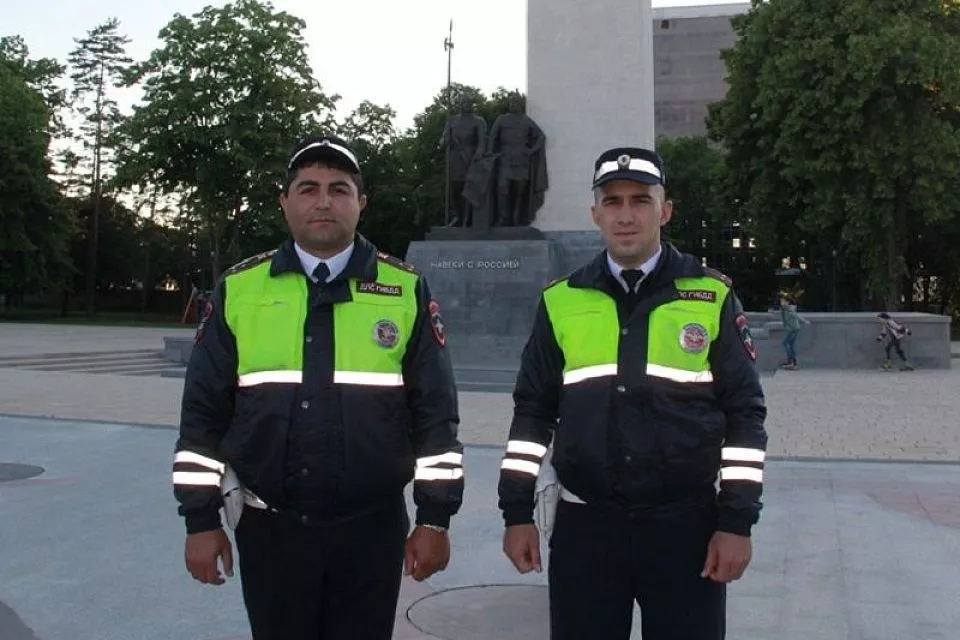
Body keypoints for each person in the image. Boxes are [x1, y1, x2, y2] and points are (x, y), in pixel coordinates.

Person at [172, 134, 464, 640]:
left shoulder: (403, 289)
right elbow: (202, 416)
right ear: (285, 202)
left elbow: (436, 416)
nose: (323, 201)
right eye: (308, 189)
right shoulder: (240, 289)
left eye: (339, 189)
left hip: (371, 530)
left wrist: (434, 519)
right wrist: (201, 520)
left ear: (361, 202)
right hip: (270, 528)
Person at [497, 147, 768, 640]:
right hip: (586, 528)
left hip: (686, 528)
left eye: (640, 200)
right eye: (613, 201)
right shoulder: (561, 300)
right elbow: (532, 414)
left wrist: (736, 522)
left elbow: (745, 418)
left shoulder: (711, 296)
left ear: (665, 211)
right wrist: (516, 513)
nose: (626, 215)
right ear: (595, 213)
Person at [779, 293, 811, 370]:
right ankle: (792, 362)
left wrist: (805, 321)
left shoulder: (789, 309)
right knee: (790, 345)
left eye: (783, 301)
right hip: (791, 329)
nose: (781, 303)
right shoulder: (785, 309)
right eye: (781, 301)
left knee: (786, 343)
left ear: (787, 302)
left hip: (793, 329)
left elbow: (796, 316)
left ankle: (791, 362)